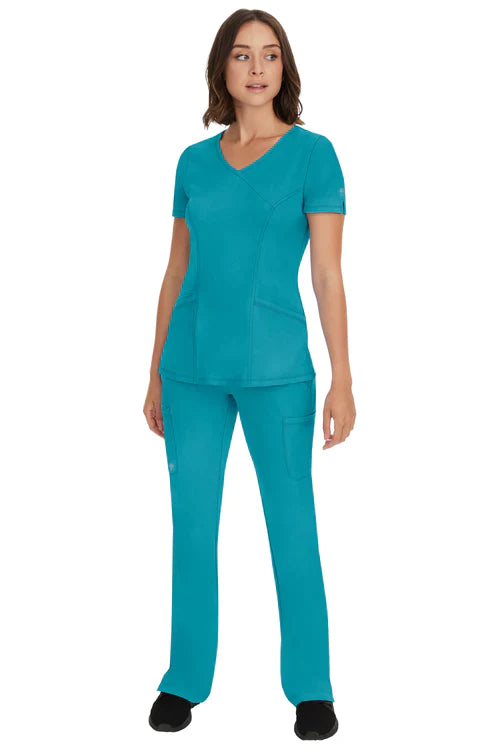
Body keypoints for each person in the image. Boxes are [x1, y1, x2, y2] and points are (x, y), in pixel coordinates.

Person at [143, 9, 356, 741]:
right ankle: (184, 679)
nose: (256, 68)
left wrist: (342, 377)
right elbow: (176, 269)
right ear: (223, 69)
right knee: (192, 530)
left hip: (278, 373)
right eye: (241, 55)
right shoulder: (192, 162)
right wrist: (154, 371)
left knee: (292, 530)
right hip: (191, 370)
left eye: (269, 55)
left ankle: (312, 689)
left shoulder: (314, 156)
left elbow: (327, 273)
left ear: (284, 68)